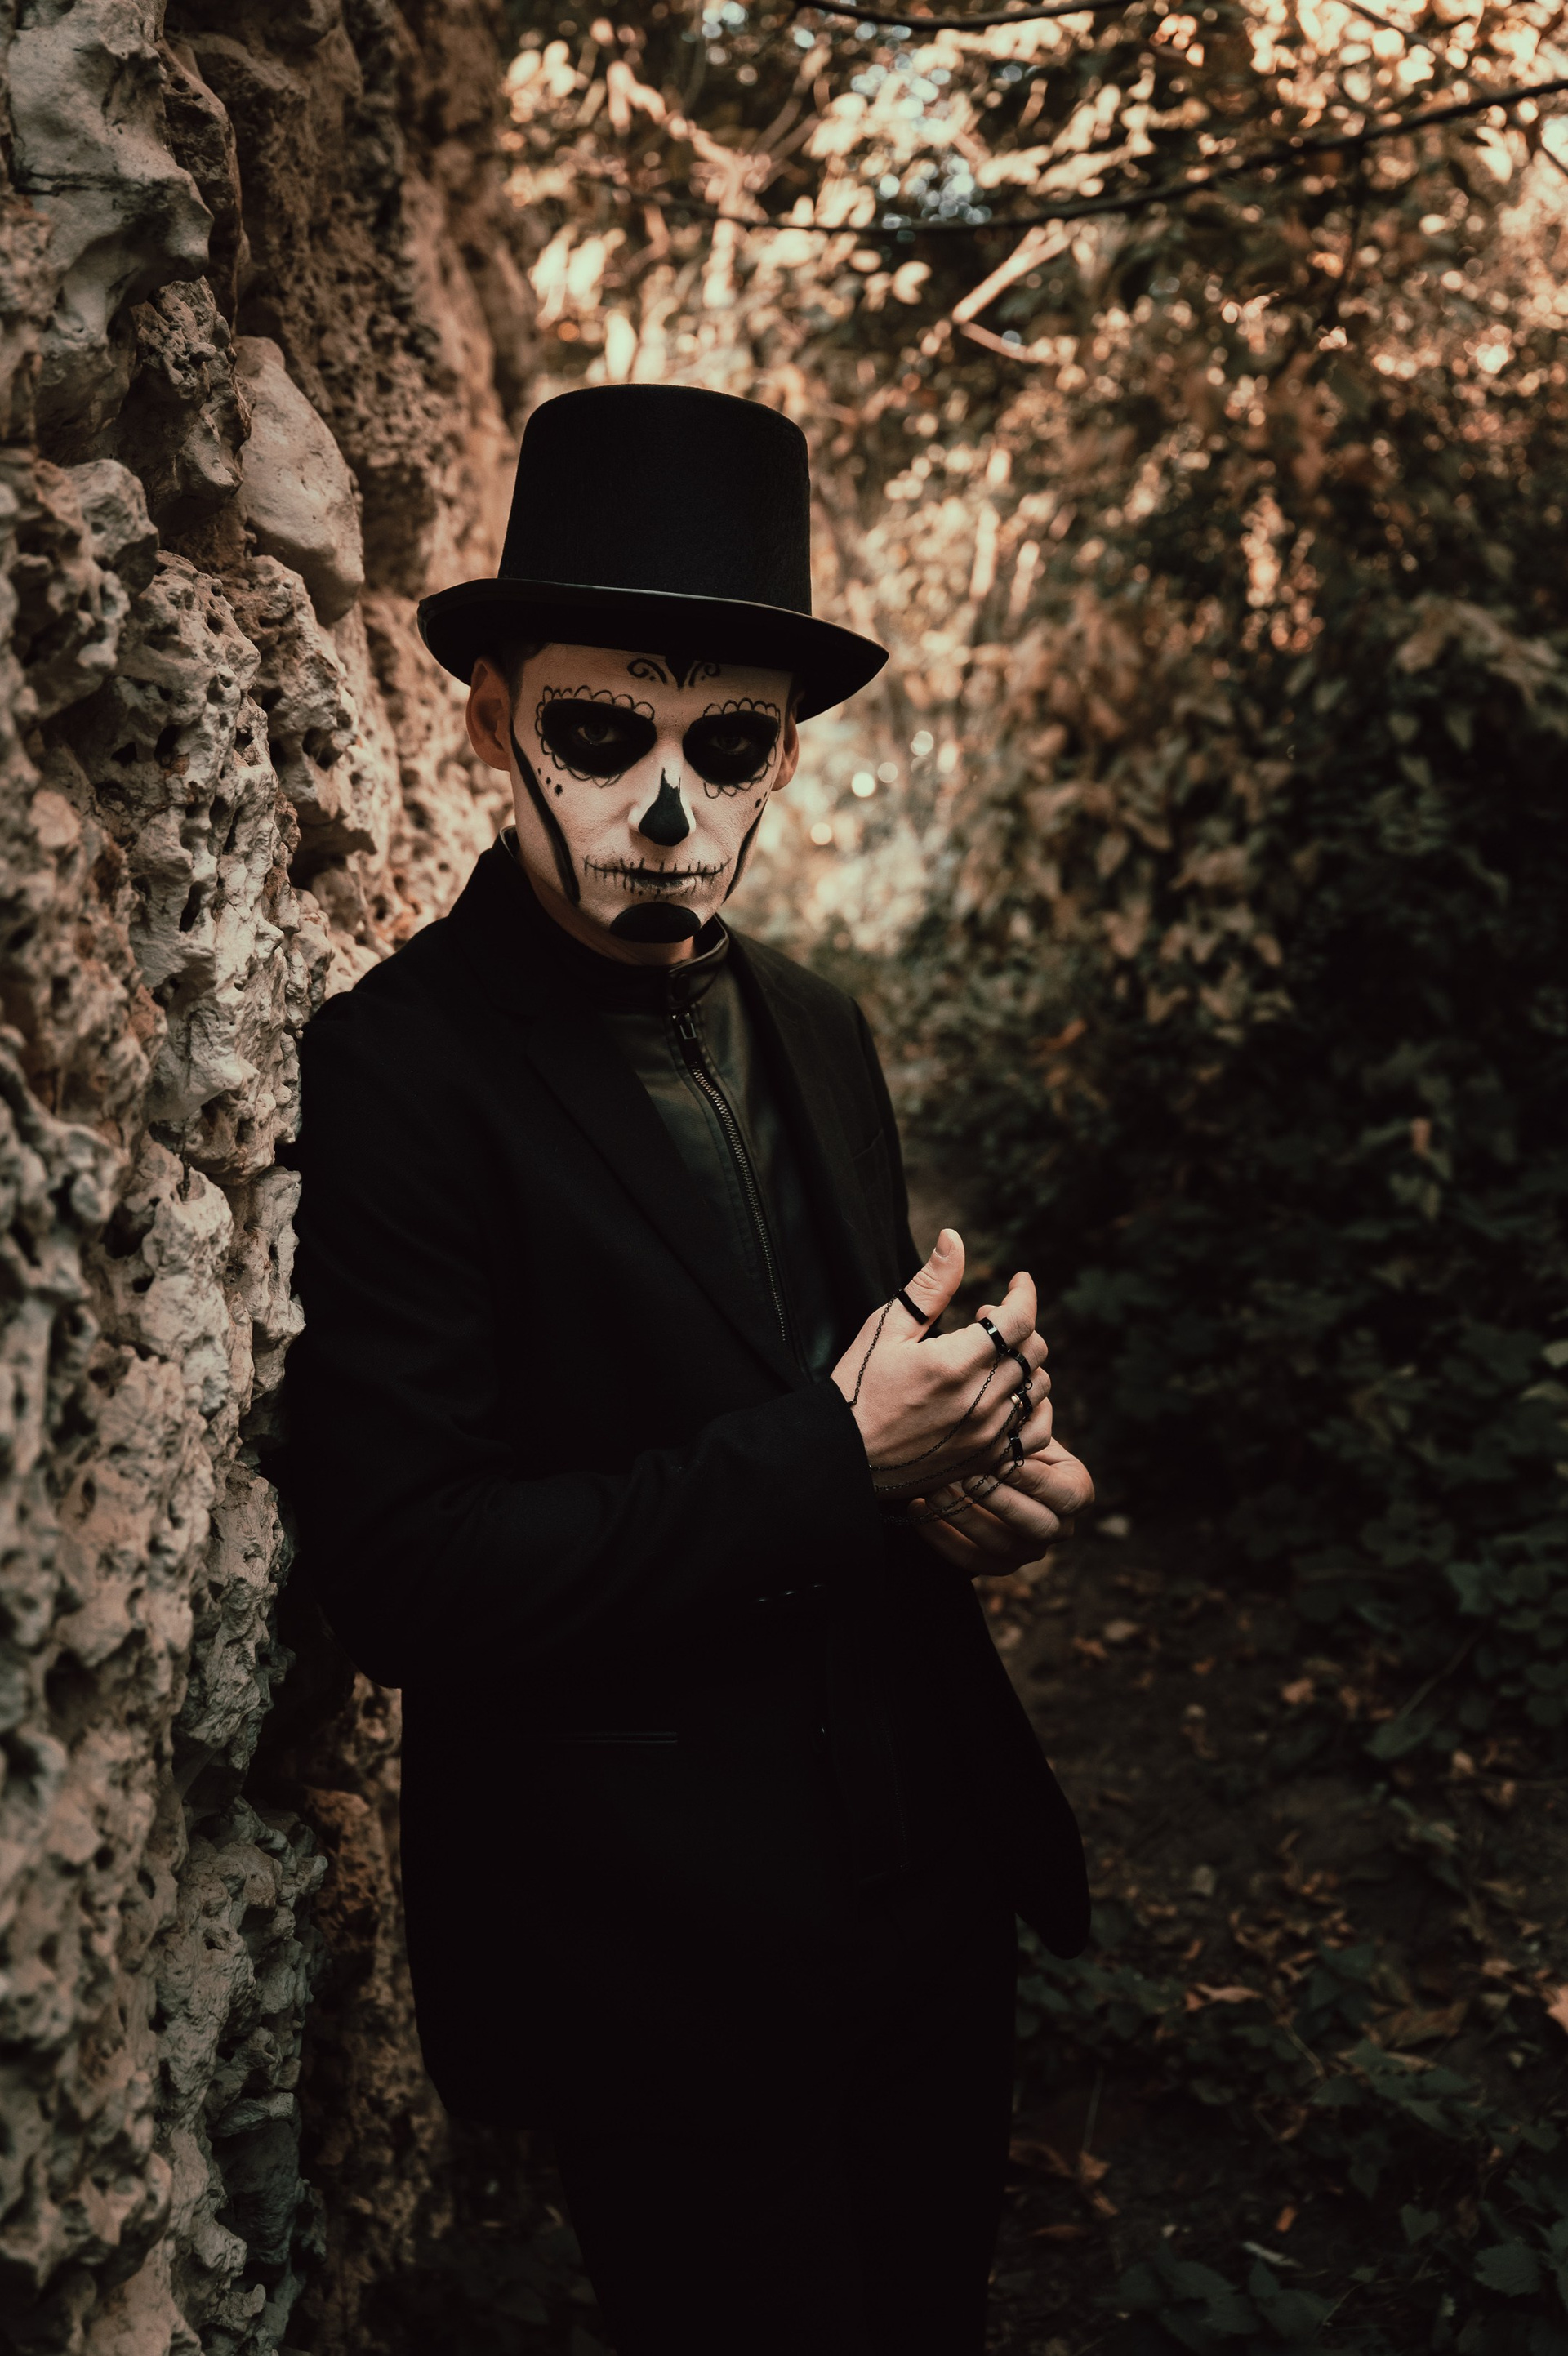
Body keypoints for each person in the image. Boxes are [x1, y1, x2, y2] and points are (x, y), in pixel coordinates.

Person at [287, 382, 1093, 2356]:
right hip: (651, 1949)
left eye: (726, 745)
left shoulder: (818, 1027)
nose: (667, 808)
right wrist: (842, 1458)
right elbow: (407, 1572)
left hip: (927, 1886)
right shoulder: (399, 1074)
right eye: (600, 734)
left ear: (785, 757)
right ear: (488, 724)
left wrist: (979, 1472)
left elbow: (848, 1399)